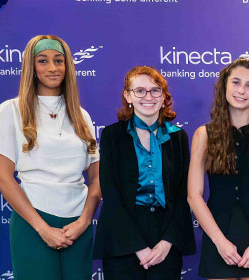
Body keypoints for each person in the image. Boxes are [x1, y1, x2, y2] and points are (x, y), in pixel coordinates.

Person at [0, 34, 100, 279]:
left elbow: (96, 178)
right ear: (31, 68)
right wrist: (43, 229)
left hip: (78, 226)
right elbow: (3, 178)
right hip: (33, 223)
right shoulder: (10, 111)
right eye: (42, 61)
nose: (52, 68)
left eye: (59, 60)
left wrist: (85, 221)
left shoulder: (81, 115)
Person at [188, 58, 249, 279]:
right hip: (218, 235)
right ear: (225, 86)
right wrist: (220, 242)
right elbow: (194, 196)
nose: (241, 91)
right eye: (236, 82)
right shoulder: (204, 135)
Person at [93, 66, 196, 279]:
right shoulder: (113, 135)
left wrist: (167, 241)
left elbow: (182, 195)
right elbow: (111, 194)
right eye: (140, 91)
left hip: (166, 238)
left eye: (155, 90)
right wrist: (137, 245)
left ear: (164, 96)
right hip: (123, 237)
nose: (148, 96)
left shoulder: (178, 137)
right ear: (128, 96)